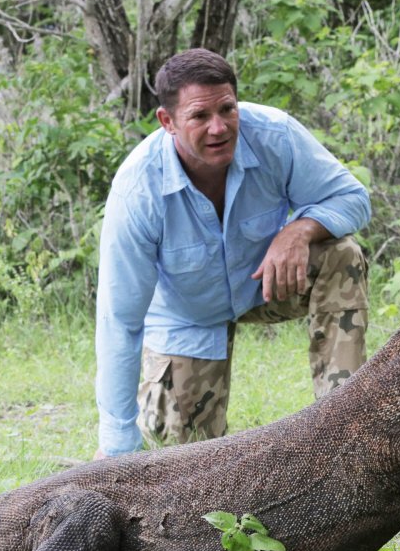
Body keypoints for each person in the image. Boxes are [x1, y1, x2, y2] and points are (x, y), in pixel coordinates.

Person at [94, 48, 371, 457]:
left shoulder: (276, 135)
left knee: (341, 253)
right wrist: (116, 444)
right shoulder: (138, 190)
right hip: (189, 317)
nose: (219, 128)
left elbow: (353, 199)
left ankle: (345, 429)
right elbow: (120, 320)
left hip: (263, 280)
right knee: (182, 465)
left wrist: (300, 229)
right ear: (167, 122)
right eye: (200, 116)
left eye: (227, 109)